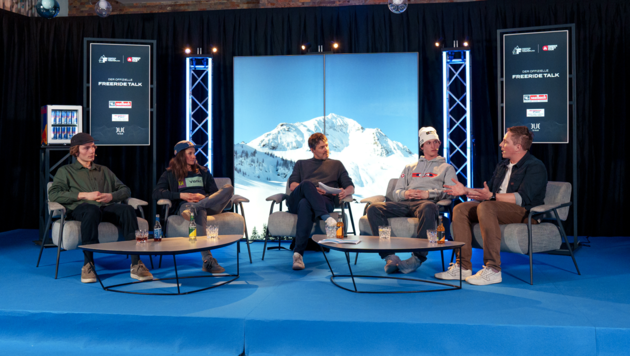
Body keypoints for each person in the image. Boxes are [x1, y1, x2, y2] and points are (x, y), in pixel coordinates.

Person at [438, 126, 547, 285]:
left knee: (486, 206)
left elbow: (522, 198)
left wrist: (492, 197)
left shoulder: (535, 166)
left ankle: (493, 269)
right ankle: (463, 266)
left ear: (518, 147)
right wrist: (465, 190)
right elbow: (487, 193)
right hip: (495, 208)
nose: (501, 145)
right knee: (461, 208)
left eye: (505, 142)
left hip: (525, 213)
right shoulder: (502, 166)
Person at [49, 133, 153, 283]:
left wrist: (111, 196)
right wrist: (84, 195)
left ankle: (136, 264)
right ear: (76, 151)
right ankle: (88, 264)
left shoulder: (103, 170)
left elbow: (125, 190)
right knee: (91, 210)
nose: (92, 151)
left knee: (127, 210)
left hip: (105, 207)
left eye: (93, 147)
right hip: (82, 209)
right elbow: (54, 194)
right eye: (87, 148)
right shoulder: (66, 171)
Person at [366, 127, 458, 274]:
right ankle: (389, 256)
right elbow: (397, 192)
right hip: (404, 204)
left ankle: (417, 258)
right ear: (422, 146)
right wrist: (406, 193)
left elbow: (452, 192)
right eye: (429, 143)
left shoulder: (447, 168)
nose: (434, 146)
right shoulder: (409, 167)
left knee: (428, 207)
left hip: (425, 204)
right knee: (373, 208)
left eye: (436, 142)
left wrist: (428, 194)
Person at [153, 140, 234, 273]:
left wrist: (204, 197)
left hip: (207, 204)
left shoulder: (203, 171)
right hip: (186, 206)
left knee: (228, 188)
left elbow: (214, 193)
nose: (194, 156)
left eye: (194, 153)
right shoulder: (170, 174)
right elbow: (156, 193)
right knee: (198, 210)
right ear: (180, 155)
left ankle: (196, 208)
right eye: (190, 153)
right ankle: (207, 260)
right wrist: (180, 196)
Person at [288, 133, 355, 270]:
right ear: (312, 150)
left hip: (323, 201)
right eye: (321, 147)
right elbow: (293, 186)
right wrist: (311, 189)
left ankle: (298, 255)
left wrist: (344, 192)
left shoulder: (336, 165)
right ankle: (327, 218)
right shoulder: (301, 163)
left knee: (305, 204)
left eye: (326, 146)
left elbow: (350, 187)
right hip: (298, 198)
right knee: (306, 185)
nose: (326, 149)